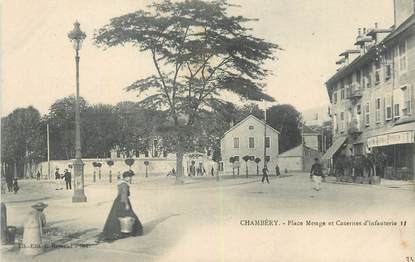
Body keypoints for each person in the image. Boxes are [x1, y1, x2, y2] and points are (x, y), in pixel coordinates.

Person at [101, 171, 143, 241]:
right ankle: (133, 231)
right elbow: (124, 194)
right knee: (129, 216)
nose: (130, 178)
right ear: (126, 177)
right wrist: (126, 204)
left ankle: (116, 231)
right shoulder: (125, 184)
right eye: (129, 177)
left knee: (117, 216)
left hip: (118, 200)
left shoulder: (120, 183)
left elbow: (119, 193)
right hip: (123, 201)